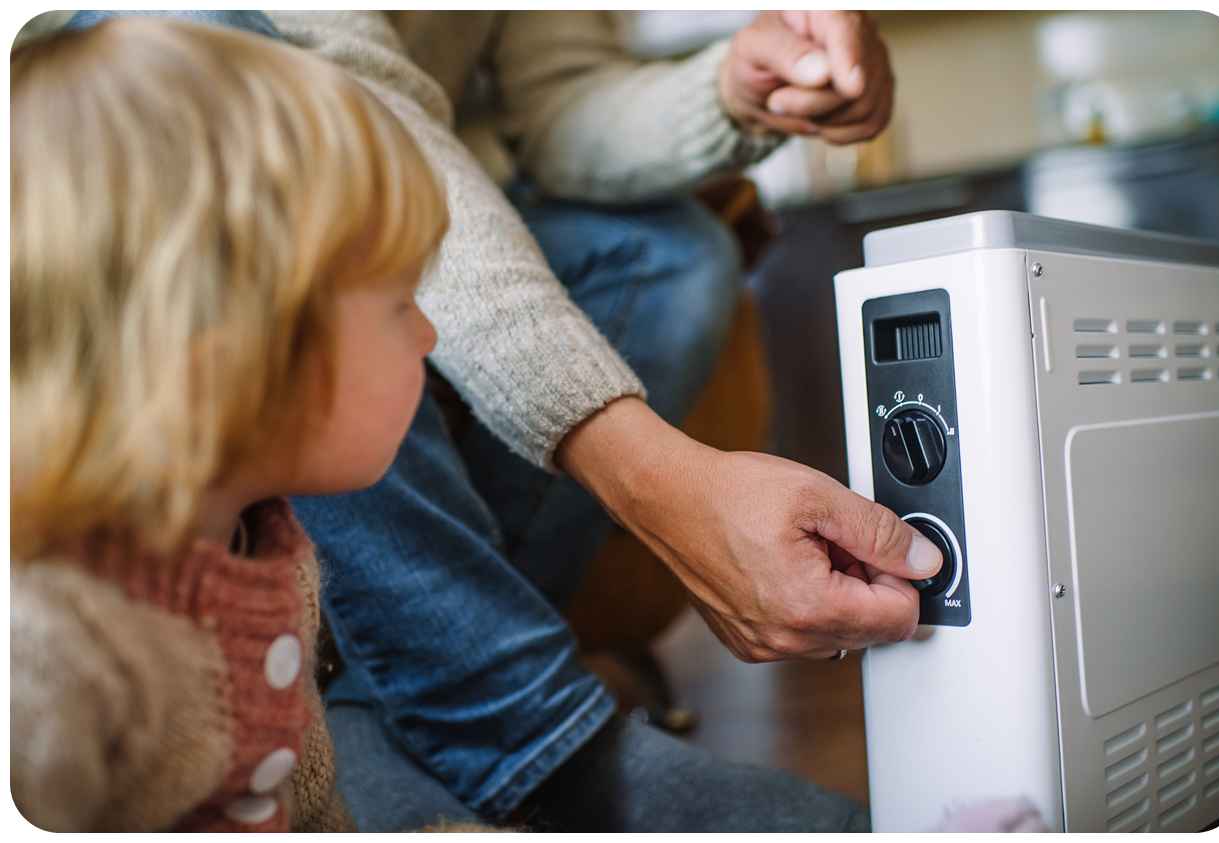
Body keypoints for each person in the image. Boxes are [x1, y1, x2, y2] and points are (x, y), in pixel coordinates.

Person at [57, 9, 945, 832]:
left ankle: (421, 694)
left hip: (443, 175)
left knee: (670, 246)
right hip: (328, 124)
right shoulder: (73, 660)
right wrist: (652, 469)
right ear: (242, 361)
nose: (432, 329)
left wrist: (721, 92)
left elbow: (558, 104)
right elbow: (348, 100)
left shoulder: (285, 567)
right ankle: (520, 726)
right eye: (398, 301)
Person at [8, 17, 448, 832]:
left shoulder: (259, 547)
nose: (428, 336)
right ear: (224, 376)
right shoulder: (42, 650)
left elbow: (303, 806)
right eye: (398, 305)